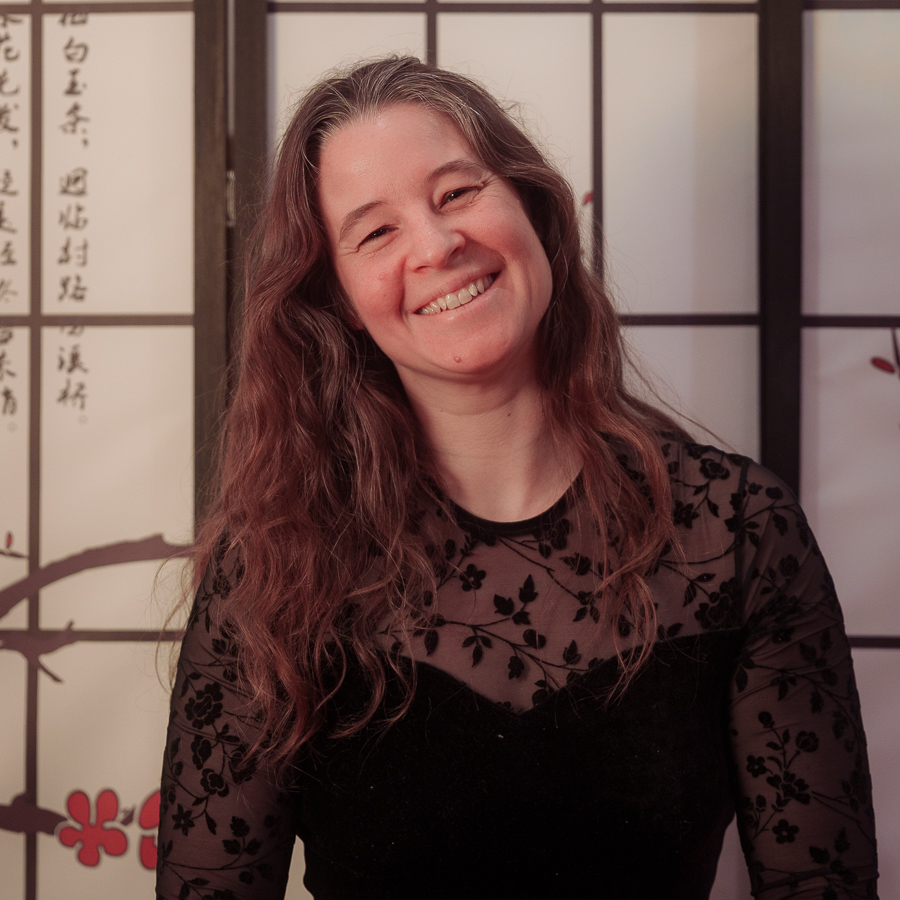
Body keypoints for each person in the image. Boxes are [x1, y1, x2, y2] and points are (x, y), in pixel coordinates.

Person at [156, 56, 878, 899]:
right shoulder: (277, 564)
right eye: (375, 232)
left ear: (534, 207)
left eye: (457, 193)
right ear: (340, 298)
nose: (436, 244)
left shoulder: (737, 532)